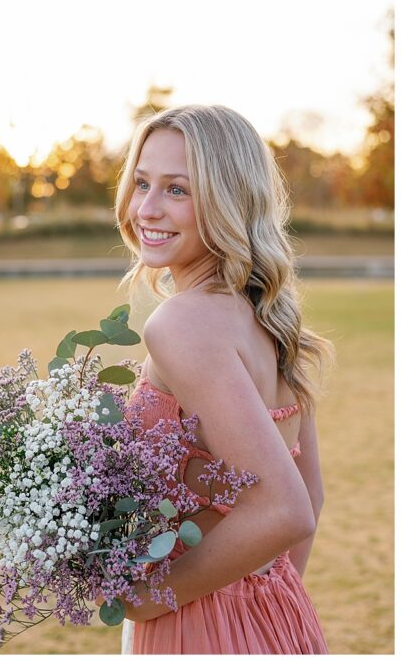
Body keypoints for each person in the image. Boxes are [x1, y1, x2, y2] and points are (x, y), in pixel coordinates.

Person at [112, 105, 333, 653]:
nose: (147, 208)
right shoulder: (268, 315)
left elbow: (287, 508)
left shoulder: (182, 322)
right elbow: (310, 491)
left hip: (195, 623)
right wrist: (261, 599)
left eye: (178, 190)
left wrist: (152, 596)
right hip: (278, 611)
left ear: (228, 200)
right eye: (142, 183)